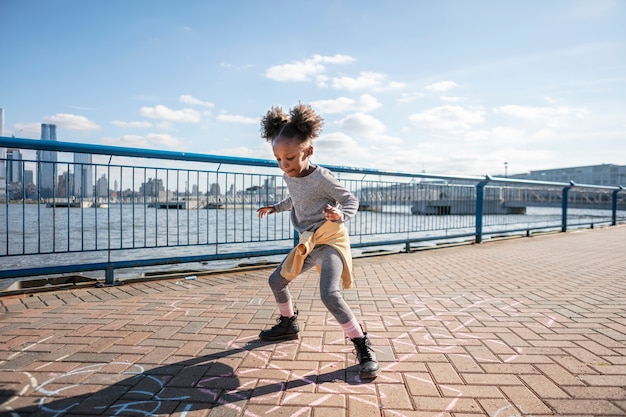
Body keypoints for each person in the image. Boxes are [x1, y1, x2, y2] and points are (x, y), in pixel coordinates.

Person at [256, 103, 380, 379]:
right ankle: (288, 324)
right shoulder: (290, 175)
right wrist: (275, 208)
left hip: (330, 241)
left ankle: (362, 346)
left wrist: (340, 215)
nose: (283, 165)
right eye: (278, 159)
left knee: (329, 294)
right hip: (308, 243)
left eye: (289, 158)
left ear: (308, 151)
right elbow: (296, 199)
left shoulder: (322, 177)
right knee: (276, 281)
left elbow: (350, 199)